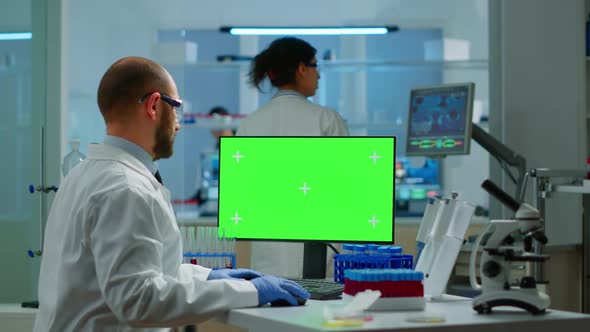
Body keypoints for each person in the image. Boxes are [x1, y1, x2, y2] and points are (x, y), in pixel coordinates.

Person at [33, 56, 309, 332]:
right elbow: (139, 300)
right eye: (176, 109)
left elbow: (147, 272)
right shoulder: (125, 188)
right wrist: (250, 293)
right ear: (154, 105)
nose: (177, 124)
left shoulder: (84, 173)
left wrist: (210, 276)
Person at [236, 37, 349, 278]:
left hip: (267, 261)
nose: (318, 75)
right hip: (319, 259)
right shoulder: (327, 120)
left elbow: (247, 196)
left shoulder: (249, 125)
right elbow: (345, 190)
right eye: (315, 66)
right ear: (301, 69)